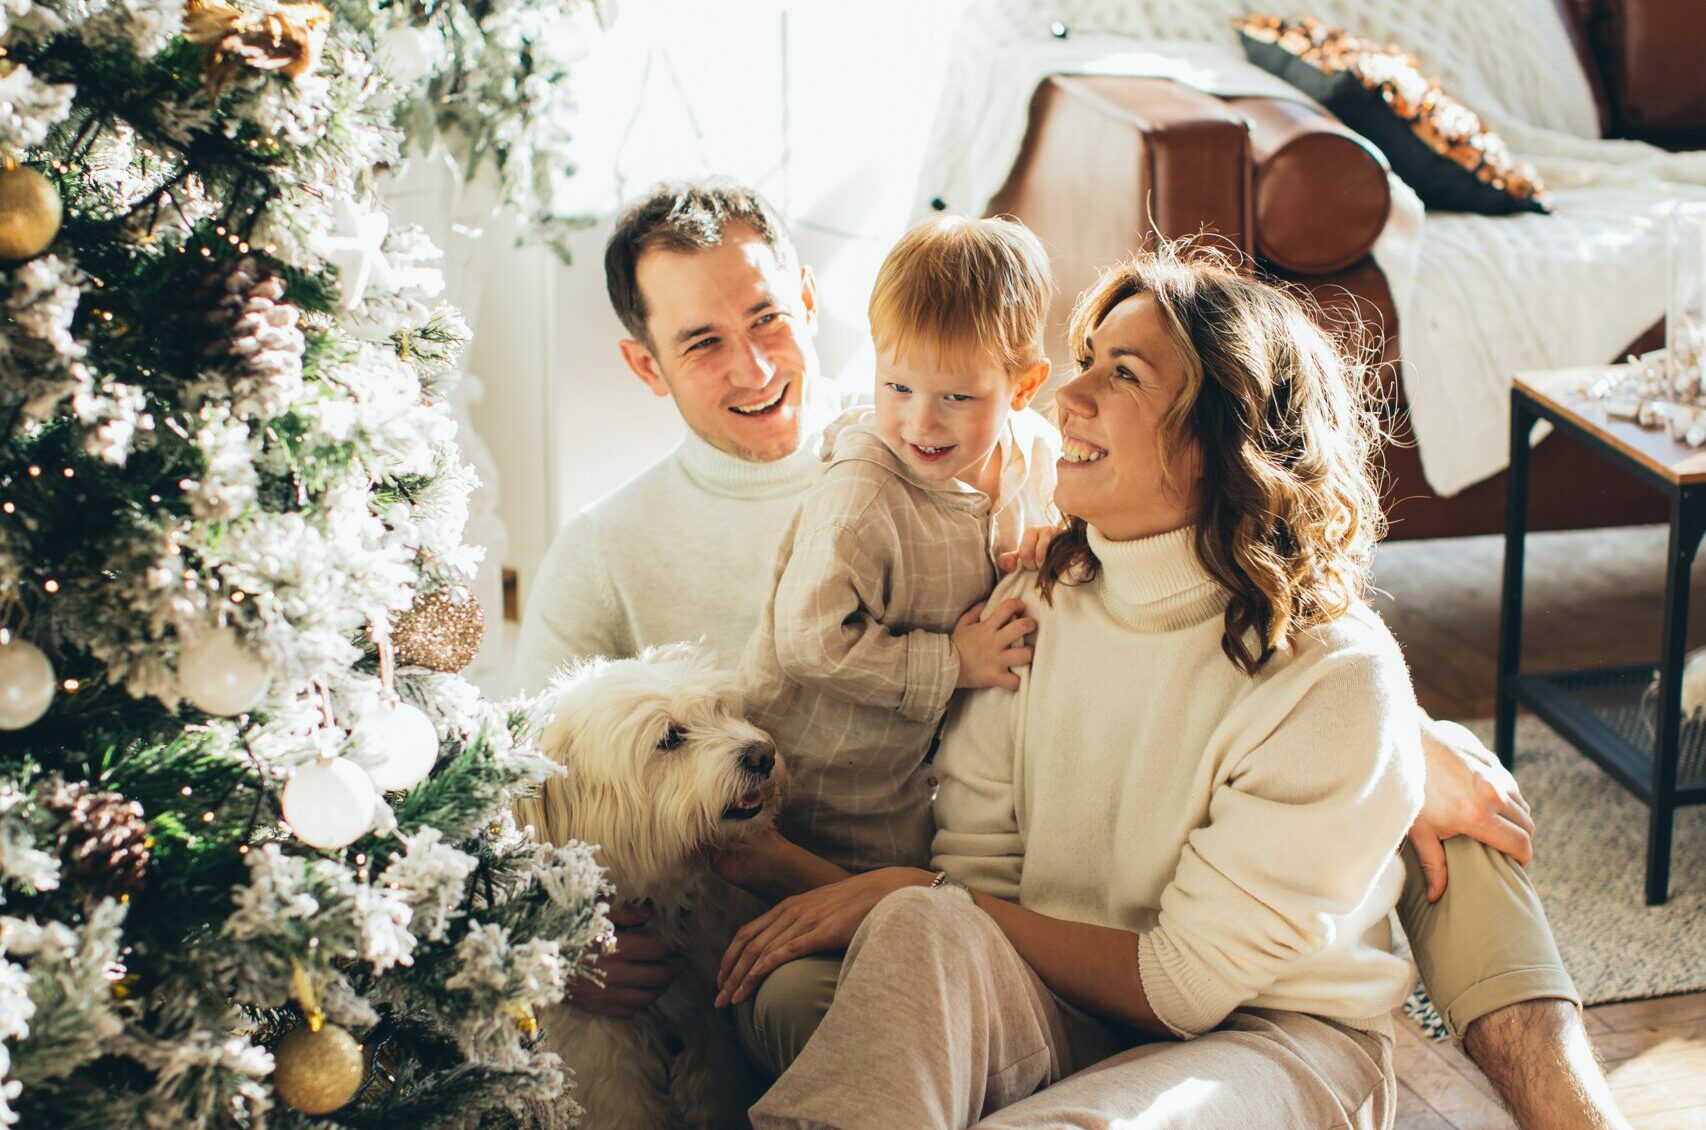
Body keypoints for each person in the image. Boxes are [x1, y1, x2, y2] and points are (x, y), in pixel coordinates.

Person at [515, 180, 1622, 1128]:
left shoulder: (964, 453)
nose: (1062, 391)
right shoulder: (1021, 577)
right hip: (994, 958)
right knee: (907, 931)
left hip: (1236, 1014)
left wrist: (1404, 739)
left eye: (1114, 376)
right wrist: (562, 933)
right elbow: (521, 801)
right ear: (645, 364)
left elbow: (1183, 941)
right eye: (702, 341)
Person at [739, 215, 1059, 878]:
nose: (921, 421)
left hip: (939, 776)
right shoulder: (861, 494)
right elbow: (808, 640)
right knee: (869, 913)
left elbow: (1076, 525)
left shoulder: (1039, 456)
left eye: (957, 397)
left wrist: (1062, 540)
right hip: (833, 785)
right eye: (899, 387)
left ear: (1023, 388)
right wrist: (951, 662)